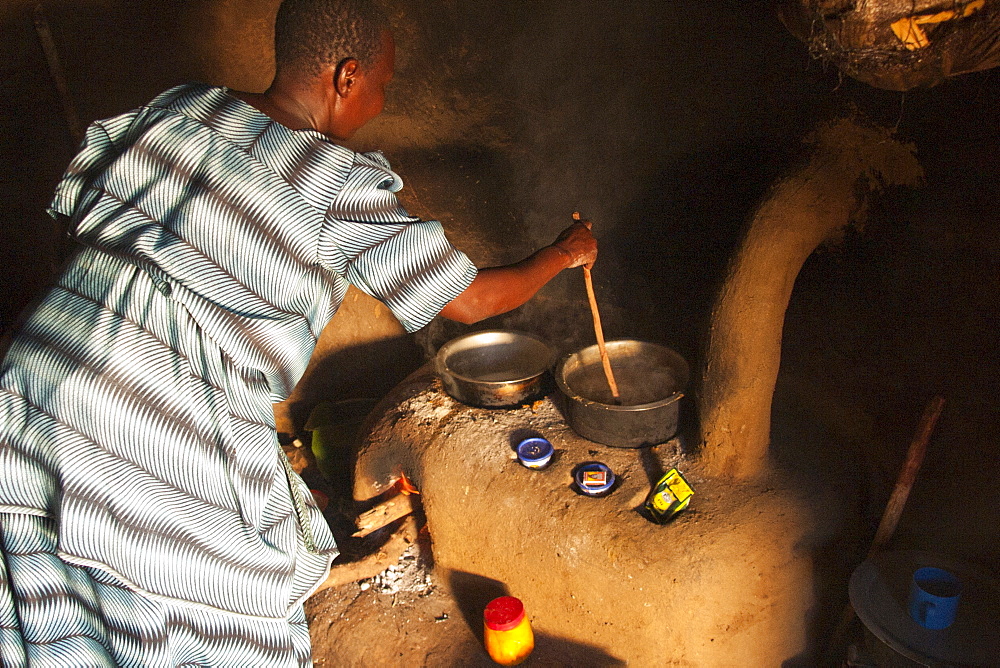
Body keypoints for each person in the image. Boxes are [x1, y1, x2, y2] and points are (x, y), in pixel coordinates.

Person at [0, 0, 596, 665]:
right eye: (382, 83)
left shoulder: (185, 108)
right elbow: (472, 300)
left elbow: (76, 219)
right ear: (346, 77)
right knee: (223, 611)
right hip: (147, 412)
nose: (381, 99)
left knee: (68, 610)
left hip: (30, 377)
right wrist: (564, 253)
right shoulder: (333, 181)